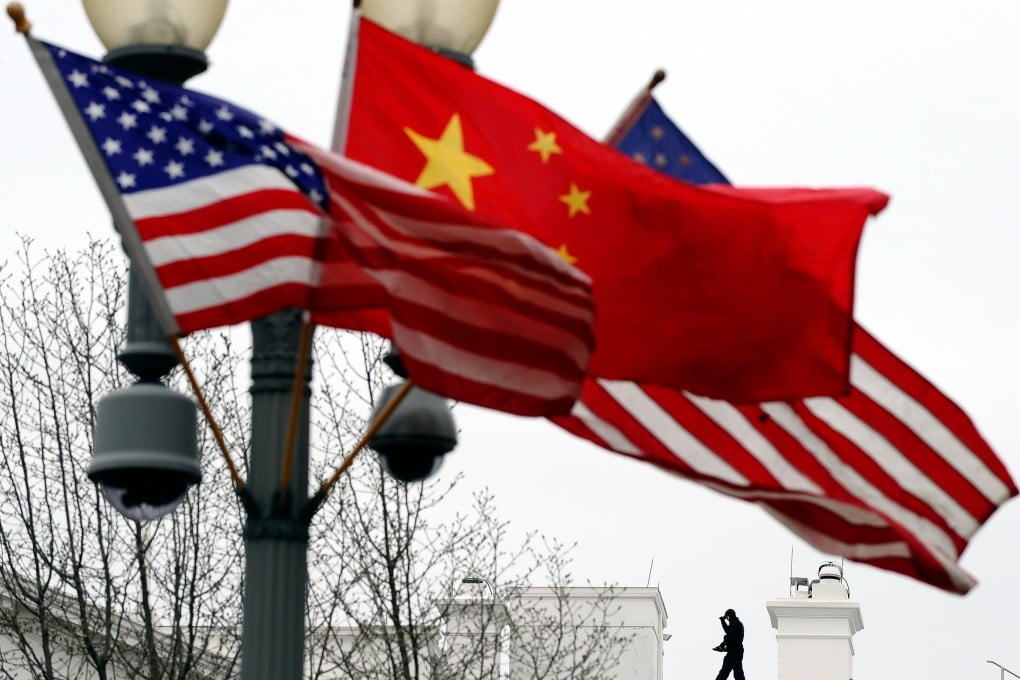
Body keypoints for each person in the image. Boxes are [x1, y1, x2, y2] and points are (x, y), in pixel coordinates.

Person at [714, 608, 745, 680]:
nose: (727, 619)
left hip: (733, 652)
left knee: (724, 672)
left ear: (728, 616)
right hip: (738, 652)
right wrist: (723, 621)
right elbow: (728, 631)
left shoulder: (734, 624)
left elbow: (729, 636)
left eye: (727, 617)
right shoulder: (738, 623)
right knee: (738, 673)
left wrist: (721, 646)